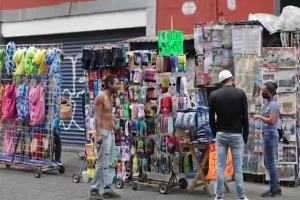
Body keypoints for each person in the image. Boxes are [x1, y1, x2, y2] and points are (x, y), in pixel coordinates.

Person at [208, 70, 249, 200]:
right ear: (231, 78)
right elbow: (245, 117)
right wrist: (245, 135)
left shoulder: (214, 95)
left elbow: (211, 118)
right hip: (237, 134)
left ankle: (219, 196)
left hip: (221, 134)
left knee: (220, 167)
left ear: (221, 81)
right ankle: (241, 196)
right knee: (238, 167)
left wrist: (215, 132)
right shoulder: (240, 94)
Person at [89, 75, 121, 200]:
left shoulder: (111, 98)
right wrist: (97, 135)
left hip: (110, 133)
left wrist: (116, 129)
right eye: (117, 84)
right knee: (102, 162)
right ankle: (94, 189)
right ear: (109, 84)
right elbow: (97, 118)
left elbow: (109, 117)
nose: (118, 86)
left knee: (111, 162)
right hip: (103, 133)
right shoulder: (100, 97)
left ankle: (107, 189)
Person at [253, 82, 282, 197]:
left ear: (269, 92)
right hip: (267, 134)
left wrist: (259, 117)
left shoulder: (273, 104)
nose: (262, 92)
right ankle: (277, 187)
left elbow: (271, 120)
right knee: (268, 162)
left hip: (270, 135)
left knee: (270, 163)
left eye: (264, 90)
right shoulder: (268, 103)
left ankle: (274, 188)